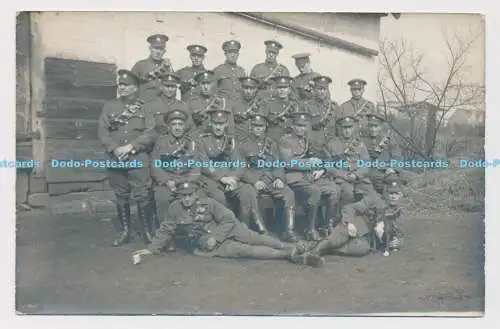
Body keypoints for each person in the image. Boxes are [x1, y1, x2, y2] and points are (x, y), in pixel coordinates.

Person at [132, 180, 325, 267]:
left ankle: (293, 246)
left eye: (190, 195)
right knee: (244, 251)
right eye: (183, 196)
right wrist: (152, 249)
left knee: (258, 239)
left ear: (195, 194)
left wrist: (216, 236)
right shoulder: (175, 208)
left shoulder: (208, 202)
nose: (187, 199)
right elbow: (166, 229)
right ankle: (288, 255)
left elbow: (228, 218)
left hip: (229, 228)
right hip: (207, 243)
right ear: (179, 196)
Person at [97, 69, 157, 246]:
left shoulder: (145, 108)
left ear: (135, 88)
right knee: (121, 195)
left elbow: (151, 132)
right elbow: (102, 130)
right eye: (120, 84)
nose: (121, 88)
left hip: (137, 158)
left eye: (126, 85)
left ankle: (146, 232)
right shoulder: (110, 107)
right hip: (115, 159)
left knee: (142, 195)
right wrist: (114, 148)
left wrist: (132, 146)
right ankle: (125, 232)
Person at [198, 109, 267, 234]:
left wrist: (234, 178)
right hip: (212, 180)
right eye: (215, 123)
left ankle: (243, 228)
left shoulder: (231, 141)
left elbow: (239, 164)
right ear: (211, 124)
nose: (218, 127)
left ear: (225, 125)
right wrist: (222, 178)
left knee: (247, 191)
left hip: (230, 179)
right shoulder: (203, 140)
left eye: (221, 124)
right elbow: (203, 163)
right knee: (219, 198)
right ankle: (225, 230)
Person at [238, 114, 299, 242]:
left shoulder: (272, 144)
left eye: (260, 126)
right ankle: (260, 231)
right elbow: (241, 168)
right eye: (255, 126)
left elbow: (277, 164)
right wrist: (254, 181)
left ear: (265, 127)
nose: (258, 129)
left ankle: (289, 231)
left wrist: (279, 178)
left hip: (271, 180)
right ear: (251, 127)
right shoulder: (243, 144)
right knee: (249, 195)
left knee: (289, 193)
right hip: (253, 181)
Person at [279, 112, 338, 241]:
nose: (302, 129)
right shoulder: (285, 140)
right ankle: (310, 229)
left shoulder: (307, 141)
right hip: (294, 178)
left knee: (334, 191)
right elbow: (288, 162)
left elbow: (325, 157)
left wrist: (322, 169)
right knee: (315, 191)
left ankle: (327, 226)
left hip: (309, 178)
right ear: (293, 126)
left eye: (304, 126)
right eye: (299, 125)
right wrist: (309, 163)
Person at [309, 179, 404, 257]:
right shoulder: (374, 199)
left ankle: (311, 247)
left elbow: (398, 234)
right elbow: (350, 207)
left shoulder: (398, 212)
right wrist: (349, 223)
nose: (393, 196)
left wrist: (397, 242)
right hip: (355, 223)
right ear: (385, 193)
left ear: (401, 195)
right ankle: (312, 253)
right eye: (391, 193)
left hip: (366, 237)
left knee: (362, 249)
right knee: (338, 238)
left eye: (396, 193)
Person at [324, 113, 377, 206]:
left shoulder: (359, 143)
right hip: (341, 180)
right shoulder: (332, 144)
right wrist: (344, 175)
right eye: (344, 128)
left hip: (359, 179)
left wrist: (356, 175)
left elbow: (366, 164)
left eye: (350, 127)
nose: (347, 131)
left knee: (372, 195)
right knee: (348, 194)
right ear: (340, 128)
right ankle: (343, 219)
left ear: (353, 128)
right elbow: (328, 166)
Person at [361, 111, 403, 194]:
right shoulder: (362, 140)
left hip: (386, 170)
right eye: (371, 126)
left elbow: (397, 156)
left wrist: (393, 168)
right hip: (369, 171)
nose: (373, 129)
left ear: (380, 127)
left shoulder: (387, 139)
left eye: (376, 126)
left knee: (394, 183)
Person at [187, 70, 235, 135]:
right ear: (199, 85)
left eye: (208, 83)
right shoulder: (191, 102)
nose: (206, 87)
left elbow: (230, 126)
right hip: (199, 139)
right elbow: (189, 126)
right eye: (203, 83)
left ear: (212, 84)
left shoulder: (222, 101)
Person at [131, 34, 173, 103]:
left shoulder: (167, 66)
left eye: (161, 49)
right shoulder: (140, 65)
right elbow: (131, 87)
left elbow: (172, 87)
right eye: (155, 48)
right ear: (150, 48)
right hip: (145, 106)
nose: (158, 52)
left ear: (164, 51)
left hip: (163, 105)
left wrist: (169, 69)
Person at [302, 75, 339, 142]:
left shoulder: (334, 106)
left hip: (331, 144)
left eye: (324, 89)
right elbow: (306, 130)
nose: (322, 92)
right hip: (316, 145)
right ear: (315, 89)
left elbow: (339, 128)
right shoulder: (308, 106)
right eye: (320, 89)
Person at [263, 76, 301, 141]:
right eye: (279, 87)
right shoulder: (268, 104)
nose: (282, 90)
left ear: (289, 89)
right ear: (276, 89)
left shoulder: (294, 105)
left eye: (285, 87)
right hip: (272, 141)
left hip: (289, 142)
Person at [231, 76, 267, 142]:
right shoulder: (233, 104)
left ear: (256, 89)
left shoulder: (262, 104)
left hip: (256, 142)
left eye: (251, 88)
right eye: (246, 88)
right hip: (239, 142)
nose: (248, 91)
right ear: (241, 88)